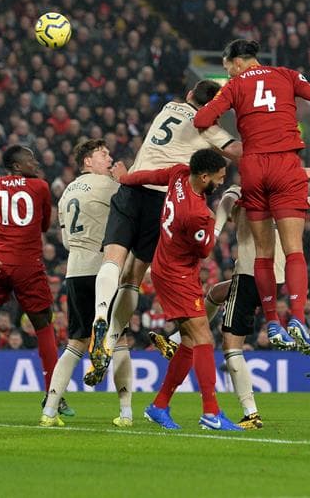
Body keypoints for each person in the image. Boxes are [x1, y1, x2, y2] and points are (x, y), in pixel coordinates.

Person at [194, 39, 310, 355]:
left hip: (254, 167)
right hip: (287, 164)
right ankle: (297, 318)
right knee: (294, 250)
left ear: (237, 62)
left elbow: (201, 121)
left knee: (263, 254)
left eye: (228, 67)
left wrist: (224, 133)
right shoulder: (286, 75)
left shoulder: (232, 87)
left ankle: (272, 322)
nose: (228, 72)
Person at [151, 180, 310, 428]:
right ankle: (175, 340)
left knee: (231, 346)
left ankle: (250, 411)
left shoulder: (243, 193)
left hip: (249, 275)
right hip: (275, 280)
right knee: (216, 293)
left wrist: (214, 232)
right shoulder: (283, 196)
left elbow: (227, 200)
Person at [87, 80, 242, 385]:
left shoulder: (168, 107)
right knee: (133, 276)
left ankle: (100, 316)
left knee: (113, 260)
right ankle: (110, 339)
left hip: (132, 187)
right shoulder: (209, 127)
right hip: (162, 199)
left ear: (188, 96)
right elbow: (235, 150)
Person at [116, 149, 239, 431]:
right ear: (204, 176)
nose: (220, 183)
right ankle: (211, 412)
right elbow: (206, 249)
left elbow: (152, 176)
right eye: (218, 179)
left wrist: (126, 179)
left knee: (189, 341)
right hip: (177, 275)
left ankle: (159, 406)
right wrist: (218, 216)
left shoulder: (180, 173)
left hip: (167, 265)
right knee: (204, 337)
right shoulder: (196, 214)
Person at [0, 145, 68, 416]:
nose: (35, 162)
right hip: (28, 266)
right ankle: (52, 394)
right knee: (44, 324)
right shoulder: (41, 187)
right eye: (30, 159)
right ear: (17, 165)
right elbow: (45, 225)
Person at [40, 140, 133, 428]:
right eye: (102, 154)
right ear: (87, 162)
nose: (109, 157)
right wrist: (125, 179)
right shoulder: (109, 186)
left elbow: (66, 240)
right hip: (103, 270)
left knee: (76, 342)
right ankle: (126, 412)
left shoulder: (66, 191)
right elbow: (132, 212)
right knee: (119, 339)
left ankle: (50, 410)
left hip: (74, 271)